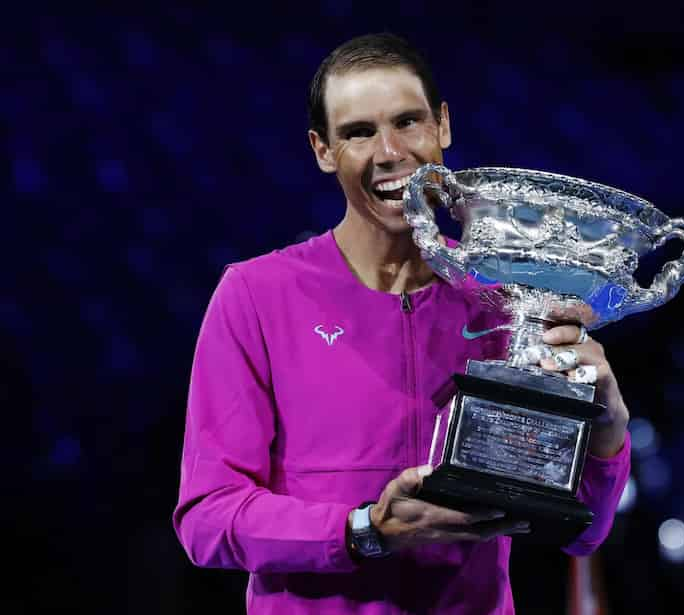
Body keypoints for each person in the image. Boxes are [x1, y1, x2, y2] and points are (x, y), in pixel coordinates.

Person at [173, 32, 631, 614]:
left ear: (443, 126)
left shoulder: (506, 302)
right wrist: (365, 531)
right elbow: (208, 518)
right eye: (358, 132)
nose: (390, 151)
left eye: (408, 122)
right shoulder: (256, 297)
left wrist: (608, 432)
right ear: (322, 150)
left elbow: (581, 533)